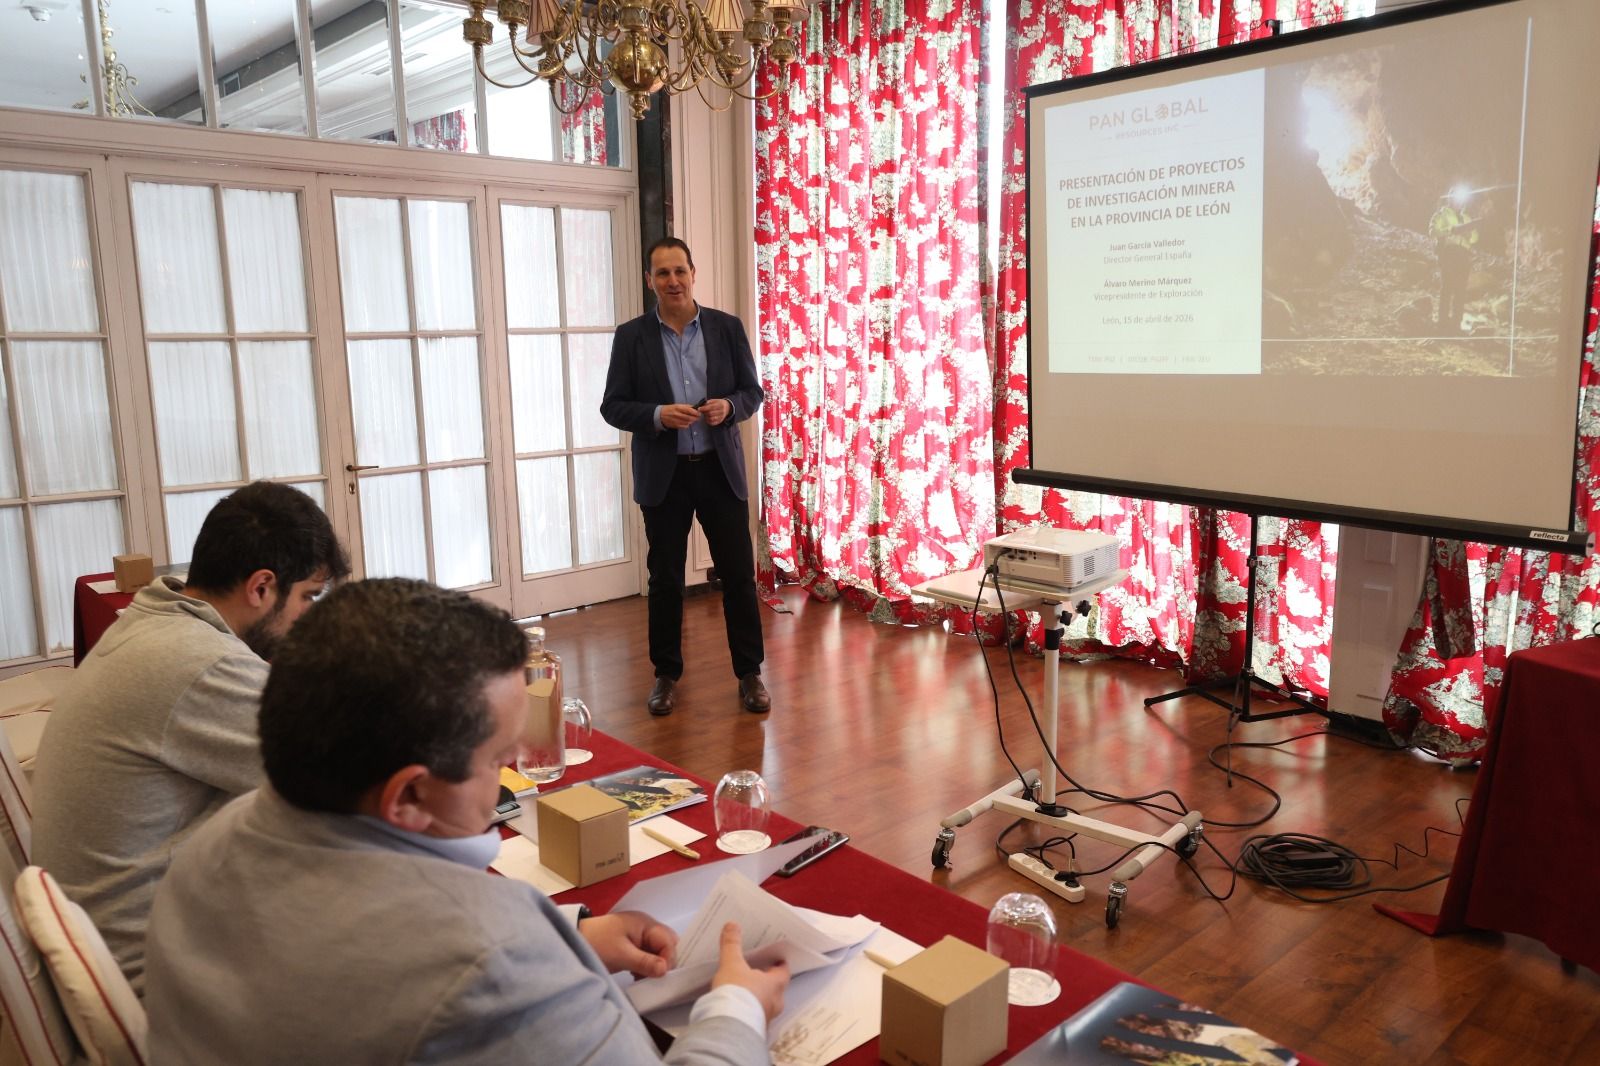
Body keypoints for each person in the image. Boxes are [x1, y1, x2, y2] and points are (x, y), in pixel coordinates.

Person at [144, 578, 789, 1064]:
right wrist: (736, 1011)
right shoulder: (491, 961)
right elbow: (464, 965)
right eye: (496, 757)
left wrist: (570, 932)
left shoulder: (206, 848)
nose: (512, 769)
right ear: (409, 796)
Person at [32, 480, 349, 993]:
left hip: (114, 926)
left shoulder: (156, 617)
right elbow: (347, 780)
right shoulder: (202, 665)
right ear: (261, 587)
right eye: (309, 597)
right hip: (155, 969)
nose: (311, 618)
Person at [601, 237, 771, 717]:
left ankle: (750, 674)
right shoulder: (631, 337)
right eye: (662, 273)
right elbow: (613, 406)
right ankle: (666, 675)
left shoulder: (726, 328)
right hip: (665, 476)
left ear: (693, 273)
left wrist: (730, 407)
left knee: (738, 577)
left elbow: (752, 392)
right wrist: (657, 415)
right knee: (665, 580)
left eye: (679, 271)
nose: (672, 281)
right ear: (649, 280)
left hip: (720, 471)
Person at [1429, 192, 1480, 333]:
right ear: (1450, 199)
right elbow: (1433, 231)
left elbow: (1475, 238)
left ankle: (1456, 324)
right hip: (1449, 252)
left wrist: (1469, 235)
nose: (1459, 202)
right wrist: (1451, 230)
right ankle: (1443, 323)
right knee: (1447, 288)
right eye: (1456, 199)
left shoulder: (1466, 218)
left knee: (1460, 291)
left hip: (1464, 255)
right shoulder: (1442, 214)